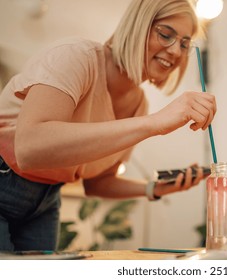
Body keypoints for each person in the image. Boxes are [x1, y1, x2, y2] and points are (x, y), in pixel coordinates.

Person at [0, 0, 216, 251]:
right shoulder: (76, 56)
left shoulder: (138, 104)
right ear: (138, 26)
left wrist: (154, 188)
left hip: (47, 199)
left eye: (184, 43)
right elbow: (29, 148)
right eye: (166, 34)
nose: (176, 52)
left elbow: (98, 182)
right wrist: (153, 123)